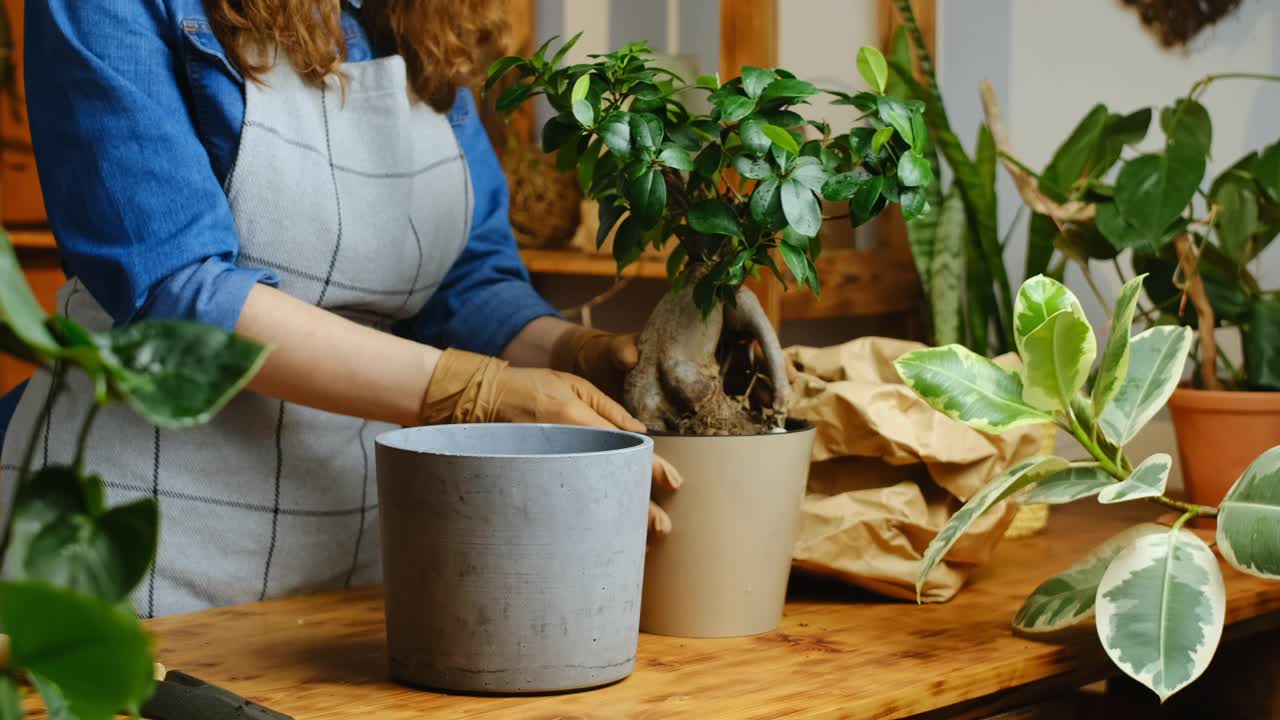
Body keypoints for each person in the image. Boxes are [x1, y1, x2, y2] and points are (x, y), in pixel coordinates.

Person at [0, 0, 678, 618]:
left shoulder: (425, 16)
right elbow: (177, 297)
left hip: (362, 555)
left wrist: (574, 354)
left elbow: (465, 283)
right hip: (150, 548)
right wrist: (470, 392)